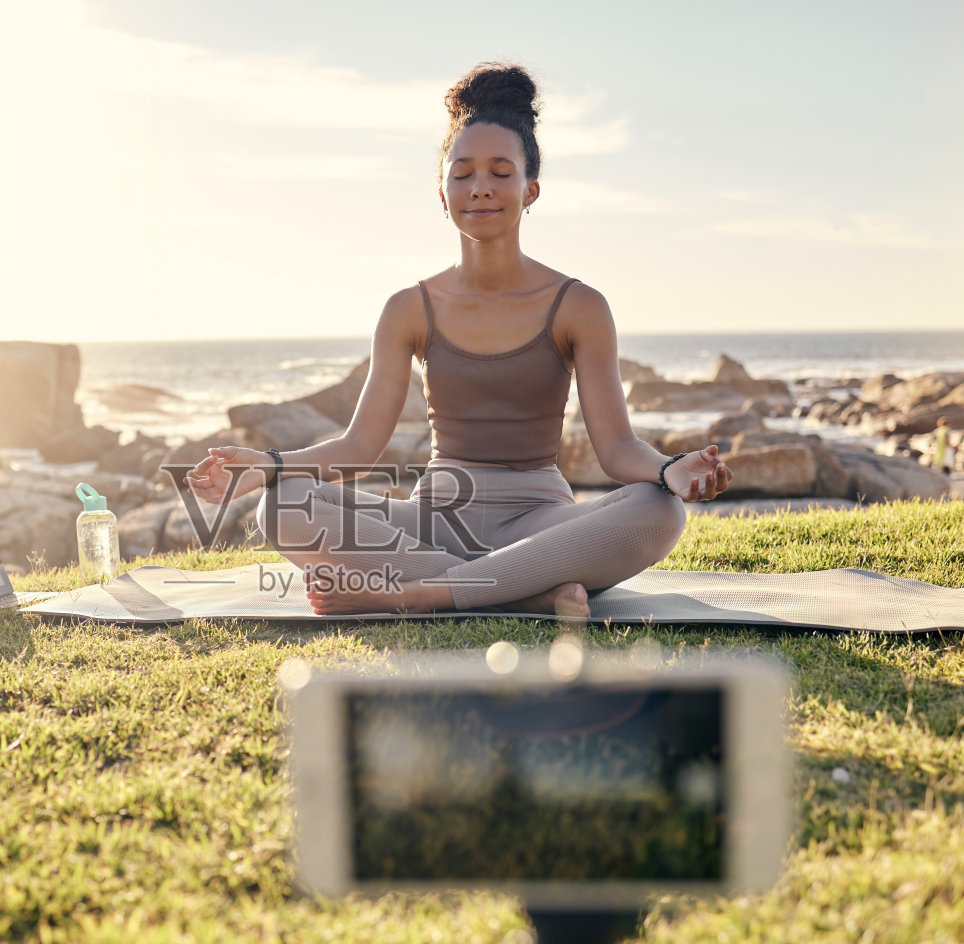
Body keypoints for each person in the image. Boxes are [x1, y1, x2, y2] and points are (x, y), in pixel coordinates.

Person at [185, 62, 732, 618]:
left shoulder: (579, 306)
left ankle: (418, 593)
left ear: (531, 189)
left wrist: (669, 469)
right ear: (442, 193)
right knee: (283, 507)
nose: (481, 188)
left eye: (501, 172)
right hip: (434, 522)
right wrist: (270, 464)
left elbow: (616, 451)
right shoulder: (408, 309)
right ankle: (528, 592)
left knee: (659, 511)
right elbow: (357, 450)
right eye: (462, 173)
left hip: (541, 521)